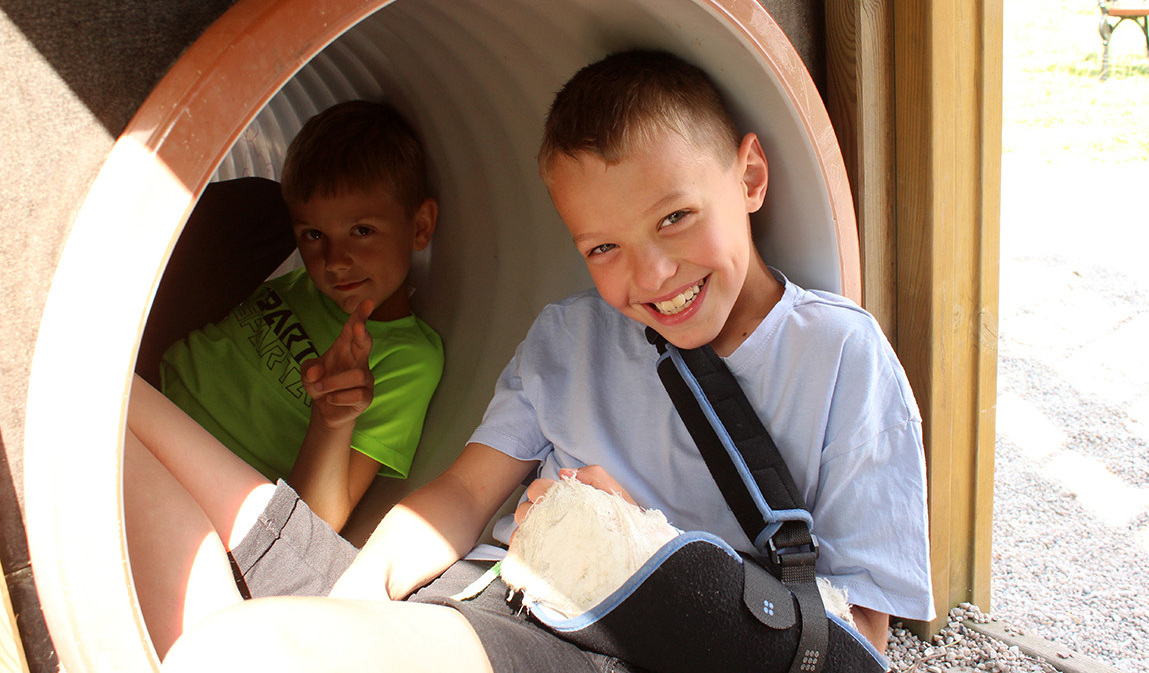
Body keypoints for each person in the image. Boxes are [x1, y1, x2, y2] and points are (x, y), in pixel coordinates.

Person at [153, 51, 935, 673]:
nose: (653, 275)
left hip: (582, 649)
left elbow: (858, 645)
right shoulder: (569, 336)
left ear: (751, 177)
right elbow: (463, 494)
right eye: (604, 247)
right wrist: (363, 591)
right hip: (476, 593)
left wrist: (640, 554)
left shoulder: (841, 358)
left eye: (676, 217)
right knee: (127, 426)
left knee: (240, 650)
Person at [155, 100, 444, 532]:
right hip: (144, 400)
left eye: (362, 231)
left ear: (420, 226)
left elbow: (315, 526)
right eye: (313, 234)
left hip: (207, 491)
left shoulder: (409, 358)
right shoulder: (296, 284)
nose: (335, 260)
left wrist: (332, 417)